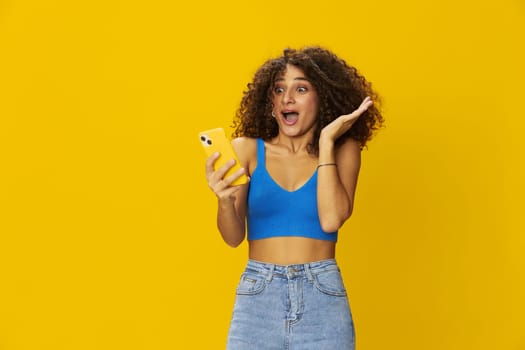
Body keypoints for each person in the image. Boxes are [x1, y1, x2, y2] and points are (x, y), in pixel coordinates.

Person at [204, 46, 384, 349]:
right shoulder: (246, 150)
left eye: (301, 88)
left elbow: (331, 219)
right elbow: (233, 237)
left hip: (322, 295)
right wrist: (223, 200)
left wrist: (326, 141)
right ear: (270, 102)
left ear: (322, 99)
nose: (287, 98)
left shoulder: (344, 150)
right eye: (279, 89)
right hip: (258, 295)